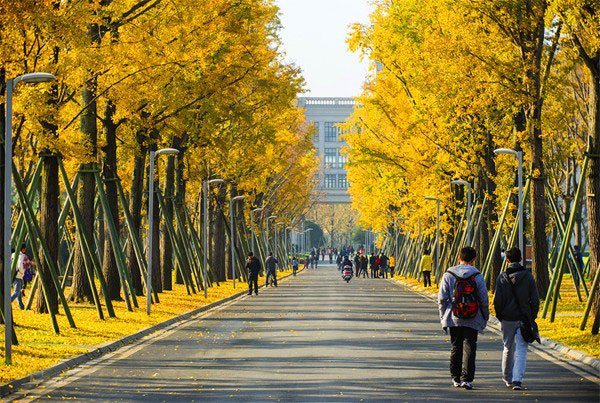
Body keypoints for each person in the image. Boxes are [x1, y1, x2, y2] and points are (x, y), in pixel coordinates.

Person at [438, 246, 489, 390]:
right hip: (473, 317)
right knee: (470, 347)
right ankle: (466, 379)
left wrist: (443, 317)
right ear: (473, 260)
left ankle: (455, 377)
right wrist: (485, 316)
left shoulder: (449, 274)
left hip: (454, 317)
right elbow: (484, 299)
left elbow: (442, 299)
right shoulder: (477, 276)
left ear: (459, 258)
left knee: (456, 346)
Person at [493, 247, 540, 390]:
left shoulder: (501, 278)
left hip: (507, 318)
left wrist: (500, 315)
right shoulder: (528, 276)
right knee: (521, 350)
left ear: (506, 260)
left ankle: (507, 378)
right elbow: (535, 300)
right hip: (524, 318)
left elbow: (497, 301)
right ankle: (517, 380)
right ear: (521, 259)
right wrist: (531, 316)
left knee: (507, 348)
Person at [11, 244, 28, 310]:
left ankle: (21, 306)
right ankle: (8, 302)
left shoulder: (13, 254)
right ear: (23, 249)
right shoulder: (21, 255)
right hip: (18, 275)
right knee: (17, 292)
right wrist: (22, 272)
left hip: (13, 274)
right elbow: (20, 265)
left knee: (19, 292)